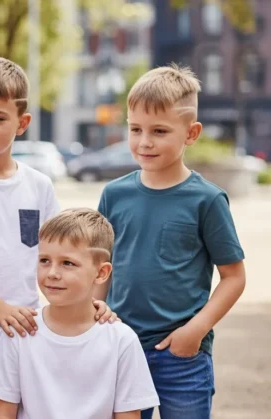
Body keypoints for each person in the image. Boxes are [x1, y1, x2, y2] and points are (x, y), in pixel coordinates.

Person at [0, 57, 117, 418]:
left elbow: (61, 256)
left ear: (22, 123)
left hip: (29, 346)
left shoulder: (39, 185)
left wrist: (87, 303)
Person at [96, 65, 247, 419]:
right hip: (120, 346)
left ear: (191, 133)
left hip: (182, 356)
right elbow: (98, 268)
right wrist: (92, 315)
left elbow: (234, 277)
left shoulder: (206, 200)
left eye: (159, 131)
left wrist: (194, 332)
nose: (144, 141)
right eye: (135, 129)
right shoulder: (113, 195)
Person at [0, 208, 160, 418]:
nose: (52, 273)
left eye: (68, 263)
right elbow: (2, 413)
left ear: (101, 273)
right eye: (44, 260)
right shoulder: (20, 333)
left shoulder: (122, 340)